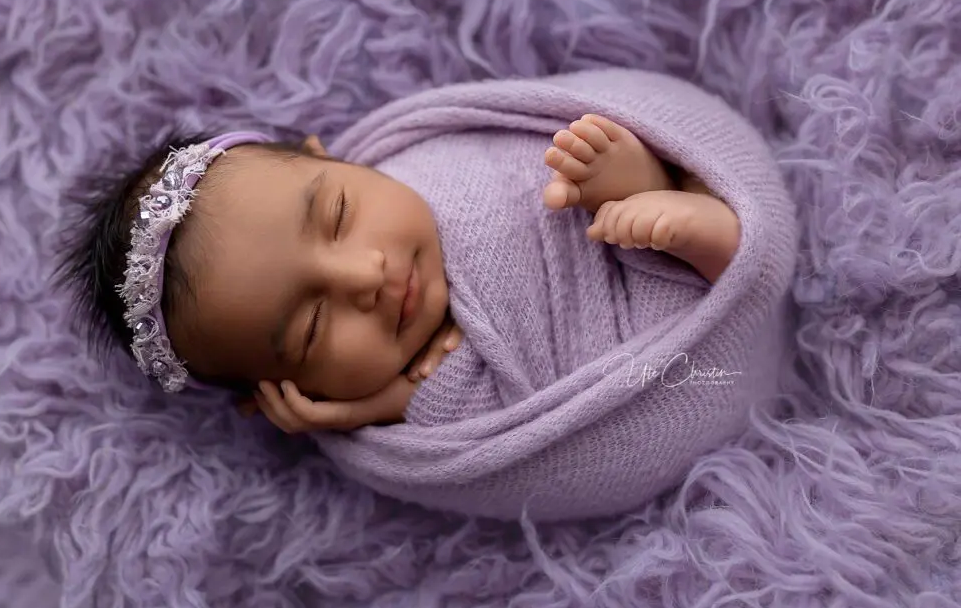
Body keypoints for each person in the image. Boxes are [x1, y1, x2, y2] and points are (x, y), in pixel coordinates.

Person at [58, 115, 739, 434]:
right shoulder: (407, 432)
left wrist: (609, 175)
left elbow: (517, 154)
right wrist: (386, 408)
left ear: (329, 155)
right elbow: (523, 433)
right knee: (684, 356)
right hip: (672, 369)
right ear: (281, 393)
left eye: (337, 212)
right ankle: (708, 252)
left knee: (591, 184)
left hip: (582, 229)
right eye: (312, 325)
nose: (365, 276)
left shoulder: (429, 157)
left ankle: (658, 188)